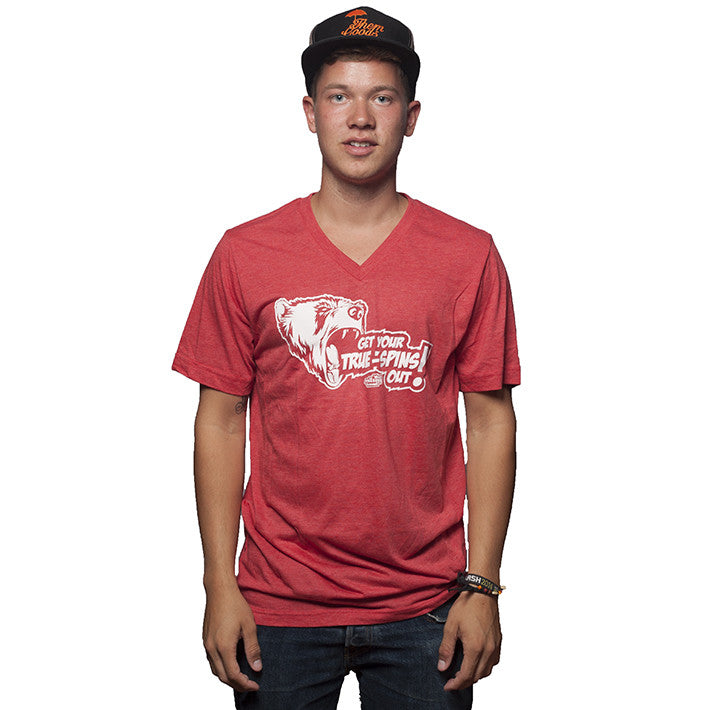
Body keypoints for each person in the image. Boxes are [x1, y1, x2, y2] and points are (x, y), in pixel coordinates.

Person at [173, 6, 520, 709]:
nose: (360, 118)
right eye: (339, 96)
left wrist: (482, 587)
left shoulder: (467, 255)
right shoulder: (245, 253)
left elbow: (490, 423)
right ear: (310, 113)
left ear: (411, 117)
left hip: (427, 606)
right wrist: (218, 584)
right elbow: (220, 420)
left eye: (382, 98)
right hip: (278, 603)